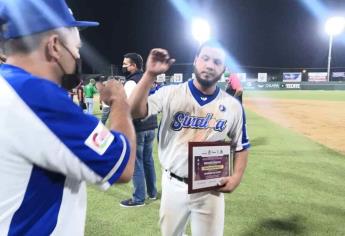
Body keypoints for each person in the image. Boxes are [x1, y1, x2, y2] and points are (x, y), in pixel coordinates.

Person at [0, 0, 136, 235]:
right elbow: (122, 166)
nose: (76, 55)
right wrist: (120, 102)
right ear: (54, 45)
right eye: (76, 46)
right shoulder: (36, 96)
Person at [129, 42, 250, 236]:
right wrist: (149, 75)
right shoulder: (170, 93)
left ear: (223, 69)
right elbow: (134, 111)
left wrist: (236, 177)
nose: (210, 65)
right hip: (173, 183)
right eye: (205, 58)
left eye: (217, 62)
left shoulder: (233, 106)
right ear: (195, 60)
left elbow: (241, 146)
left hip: (211, 186)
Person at [120, 53, 158, 207]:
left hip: (138, 126)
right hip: (151, 123)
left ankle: (139, 198)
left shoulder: (131, 82)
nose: (123, 66)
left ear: (134, 65)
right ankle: (152, 192)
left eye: (125, 63)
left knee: (136, 162)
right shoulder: (147, 78)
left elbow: (129, 106)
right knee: (148, 160)